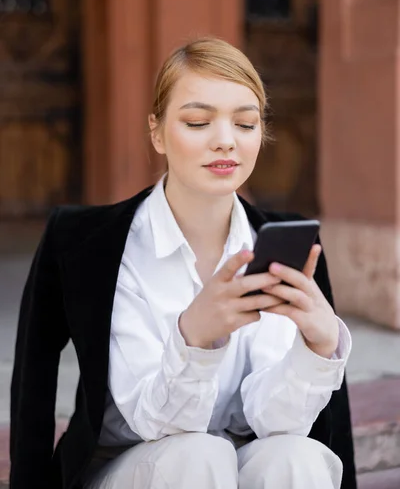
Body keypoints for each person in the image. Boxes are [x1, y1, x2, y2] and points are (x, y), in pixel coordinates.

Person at [10, 37, 357, 489]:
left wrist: (317, 350)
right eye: (197, 121)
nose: (225, 141)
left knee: (298, 456)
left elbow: (278, 421)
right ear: (156, 131)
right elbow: (37, 386)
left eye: (246, 124)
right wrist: (195, 337)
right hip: (131, 465)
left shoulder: (285, 242)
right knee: (197, 454)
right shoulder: (87, 241)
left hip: (241, 460)